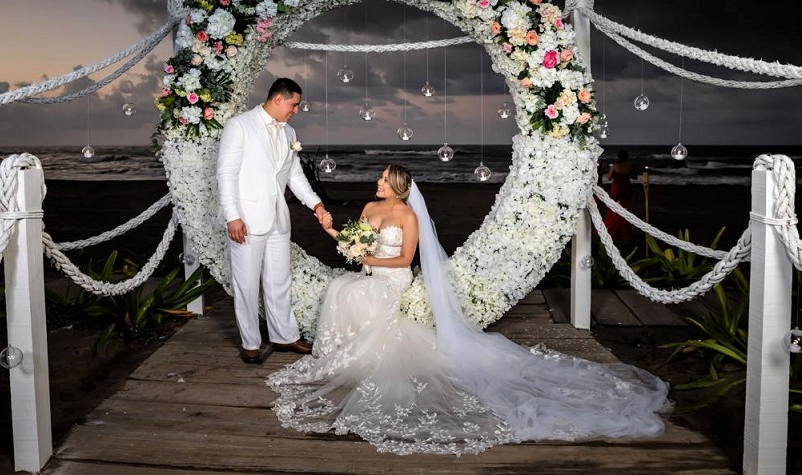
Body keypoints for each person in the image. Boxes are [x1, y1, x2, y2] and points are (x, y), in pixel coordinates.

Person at [267, 164, 670, 455]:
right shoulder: (370, 210)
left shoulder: (407, 216)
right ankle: (346, 351)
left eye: (382, 180)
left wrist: (371, 263)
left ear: (397, 187)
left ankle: (363, 352)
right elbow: (356, 243)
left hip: (392, 277)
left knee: (360, 292)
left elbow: (406, 260)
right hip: (371, 271)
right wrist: (338, 235)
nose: (376, 183)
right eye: (378, 179)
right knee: (341, 285)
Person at [216, 77, 330, 364]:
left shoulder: (290, 133)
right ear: (278, 98)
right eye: (294, 104)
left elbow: (294, 176)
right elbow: (226, 173)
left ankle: (284, 336)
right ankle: (250, 343)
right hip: (247, 220)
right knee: (246, 283)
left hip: (279, 219)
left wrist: (315, 203)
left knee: (279, 280)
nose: (296, 110)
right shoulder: (239, 125)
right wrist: (233, 216)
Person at [603, 149, 635, 240]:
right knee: (624, 208)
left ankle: (611, 227)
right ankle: (623, 229)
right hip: (626, 187)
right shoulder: (629, 165)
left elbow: (609, 178)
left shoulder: (614, 166)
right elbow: (634, 176)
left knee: (613, 207)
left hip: (616, 187)